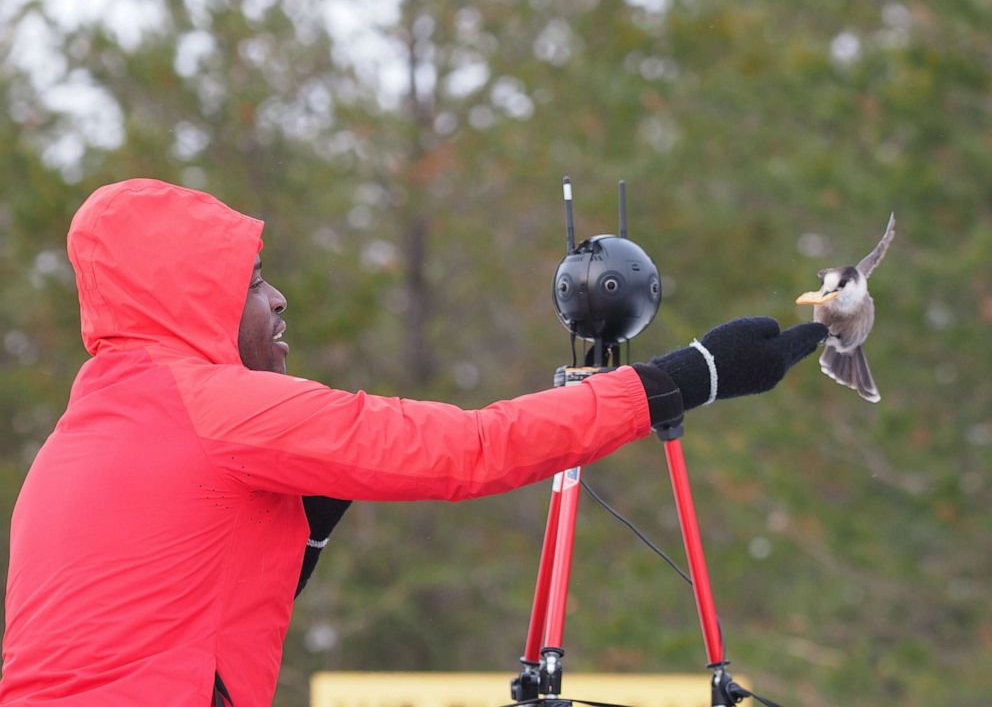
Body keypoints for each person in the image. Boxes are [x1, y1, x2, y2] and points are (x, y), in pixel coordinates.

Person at [0, 178, 826, 706]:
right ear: (187, 299)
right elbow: (469, 450)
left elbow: (166, 622)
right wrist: (681, 379)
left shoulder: (81, 435)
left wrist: (306, 537)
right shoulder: (218, 408)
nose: (279, 299)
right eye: (250, 283)